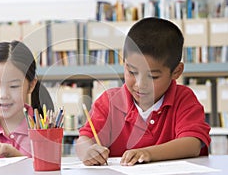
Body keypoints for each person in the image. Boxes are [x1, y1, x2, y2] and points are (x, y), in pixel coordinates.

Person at [76, 17, 211, 166]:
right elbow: (84, 140)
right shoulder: (109, 102)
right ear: (124, 63)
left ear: (176, 72)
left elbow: (192, 144)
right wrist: (88, 151)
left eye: (152, 77)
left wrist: (147, 153)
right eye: (132, 72)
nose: (140, 85)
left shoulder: (183, 99)